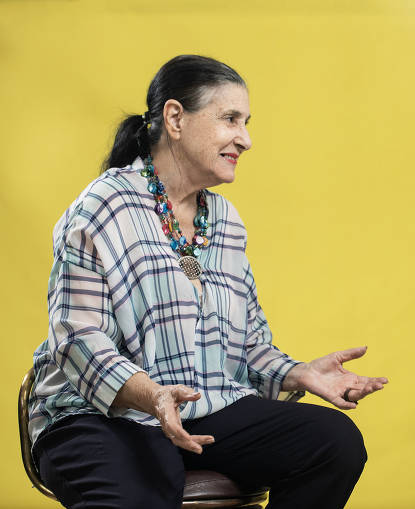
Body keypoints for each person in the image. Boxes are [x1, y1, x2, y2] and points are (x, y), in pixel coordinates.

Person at [29, 54, 388, 509]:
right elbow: (78, 339)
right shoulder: (103, 207)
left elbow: (248, 343)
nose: (246, 139)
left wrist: (299, 372)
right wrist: (153, 395)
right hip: (100, 415)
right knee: (143, 489)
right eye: (230, 119)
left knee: (332, 442)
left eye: (247, 122)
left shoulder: (225, 221)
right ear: (175, 118)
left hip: (201, 408)